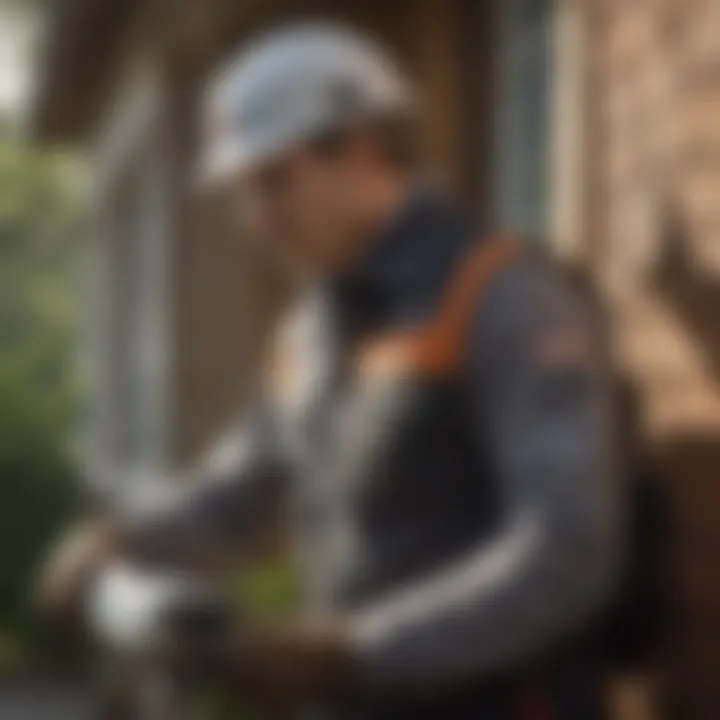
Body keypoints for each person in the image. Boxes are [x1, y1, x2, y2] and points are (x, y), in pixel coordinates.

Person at [38, 22, 622, 719]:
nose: (260, 219)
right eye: (244, 193)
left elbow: (568, 551)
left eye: (276, 182)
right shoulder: (312, 331)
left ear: (365, 147)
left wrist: (357, 653)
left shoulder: (501, 298)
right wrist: (122, 538)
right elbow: (240, 493)